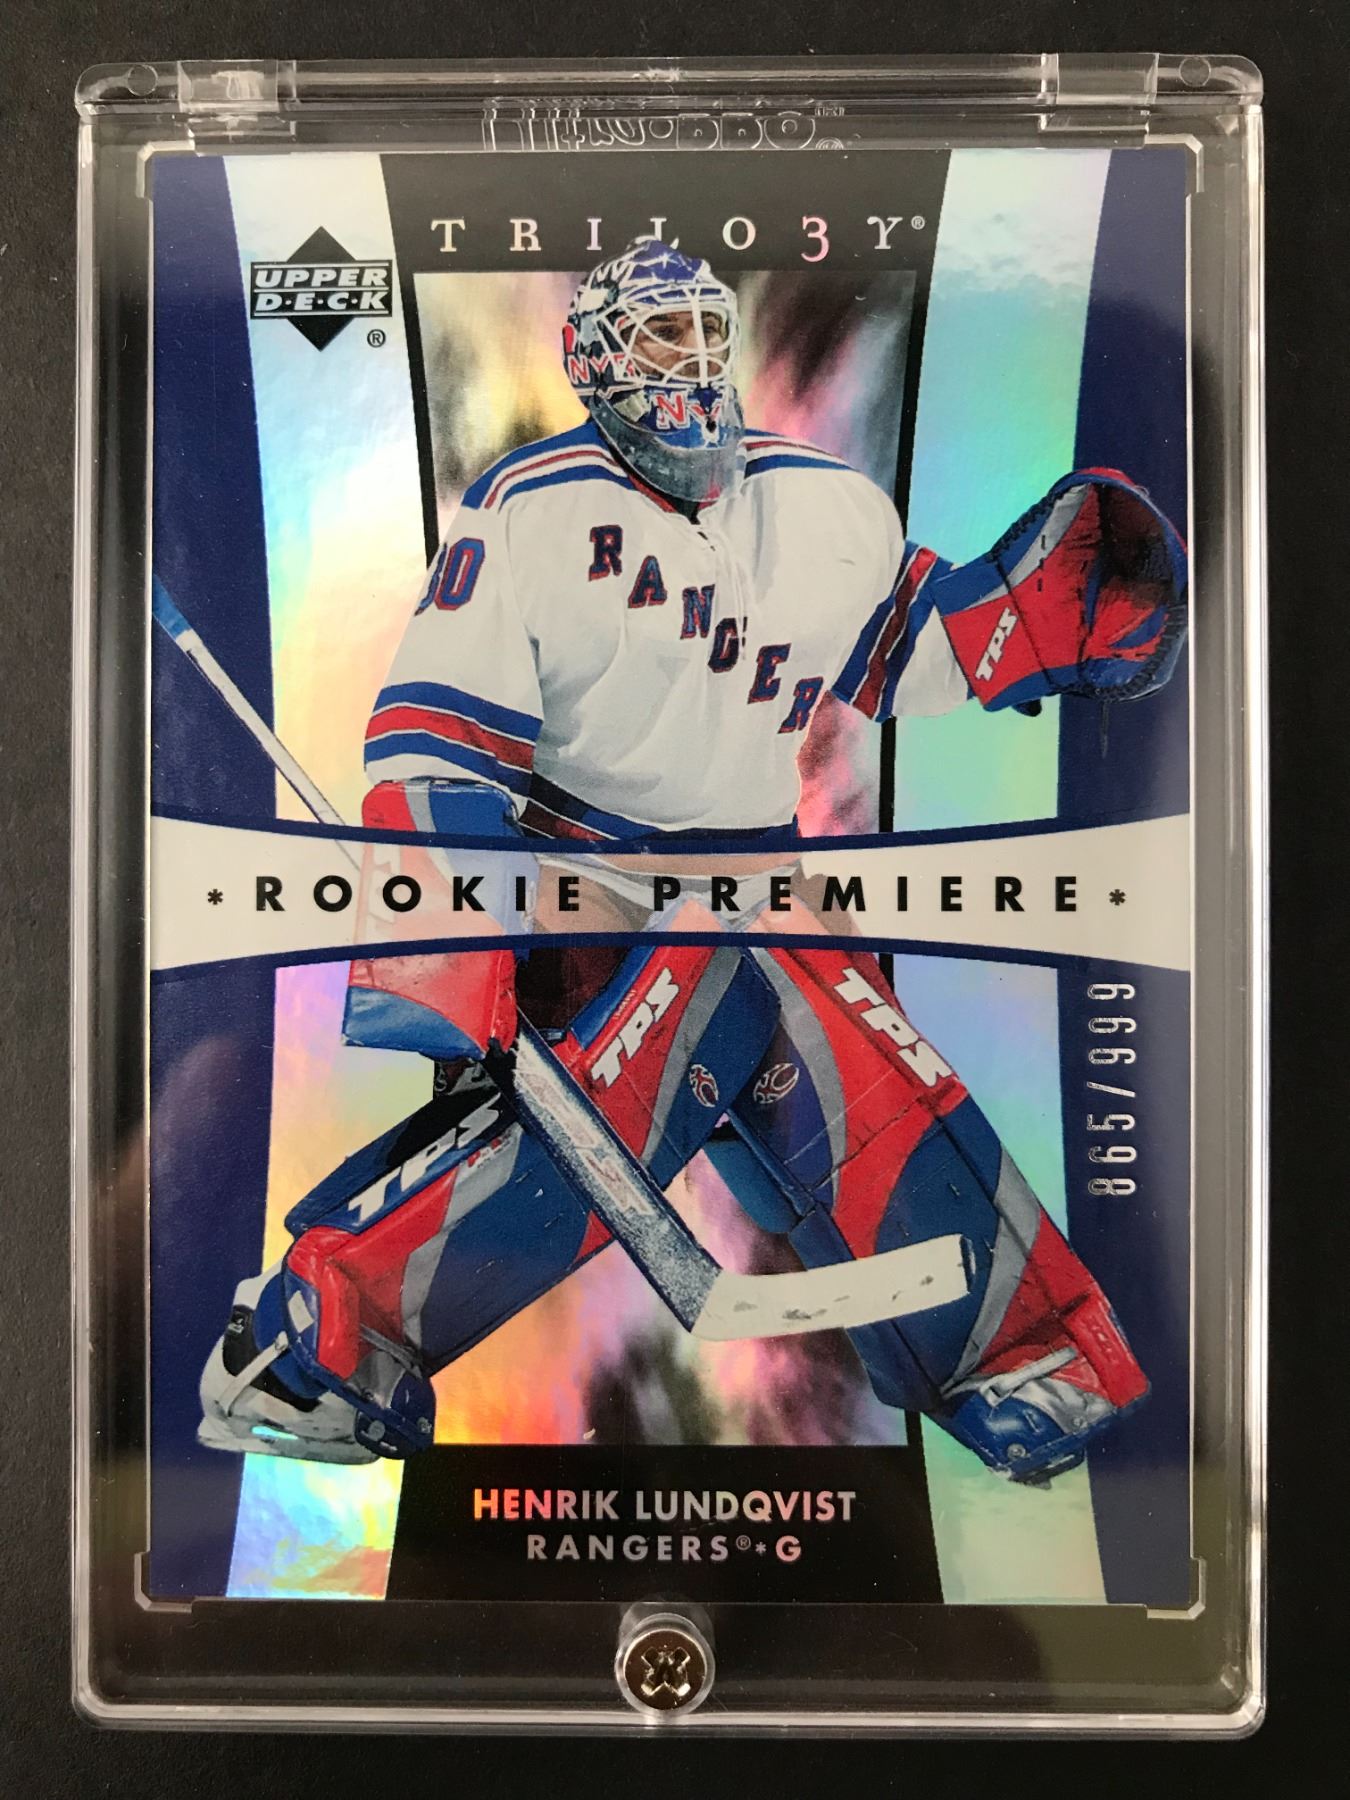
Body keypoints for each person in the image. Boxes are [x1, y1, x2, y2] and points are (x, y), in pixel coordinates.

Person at [199, 239, 1186, 1481]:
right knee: (639, 1079)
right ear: (596, 362)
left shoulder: (823, 507)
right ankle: (315, 1334)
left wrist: (1030, 620)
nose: (690, 364)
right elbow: (433, 743)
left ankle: (1025, 1358)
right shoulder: (529, 508)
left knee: (879, 1079)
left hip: (752, 884)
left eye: (703, 335)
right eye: (659, 338)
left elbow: (907, 644)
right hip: (579, 884)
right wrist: (455, 953)